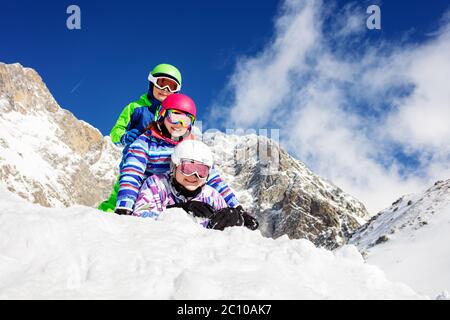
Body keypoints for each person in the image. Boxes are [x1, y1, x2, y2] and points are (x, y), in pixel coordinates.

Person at [114, 93, 246, 217]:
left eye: (185, 121)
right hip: (152, 196)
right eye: (174, 117)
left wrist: (238, 209)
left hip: (185, 195)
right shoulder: (145, 142)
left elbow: (212, 178)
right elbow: (132, 173)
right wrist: (125, 206)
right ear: (162, 114)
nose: (179, 125)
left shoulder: (191, 144)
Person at [98, 63, 182, 212]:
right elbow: (115, 132)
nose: (165, 90)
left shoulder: (174, 116)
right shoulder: (135, 108)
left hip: (161, 169)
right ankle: (103, 217)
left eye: (171, 87)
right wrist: (124, 137)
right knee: (123, 194)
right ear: (152, 82)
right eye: (162, 83)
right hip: (134, 164)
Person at [132, 140, 259, 231]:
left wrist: (234, 220)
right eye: (188, 168)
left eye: (201, 171)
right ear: (174, 167)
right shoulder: (156, 184)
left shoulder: (211, 195)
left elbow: (223, 232)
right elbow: (139, 218)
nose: (194, 176)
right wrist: (180, 209)